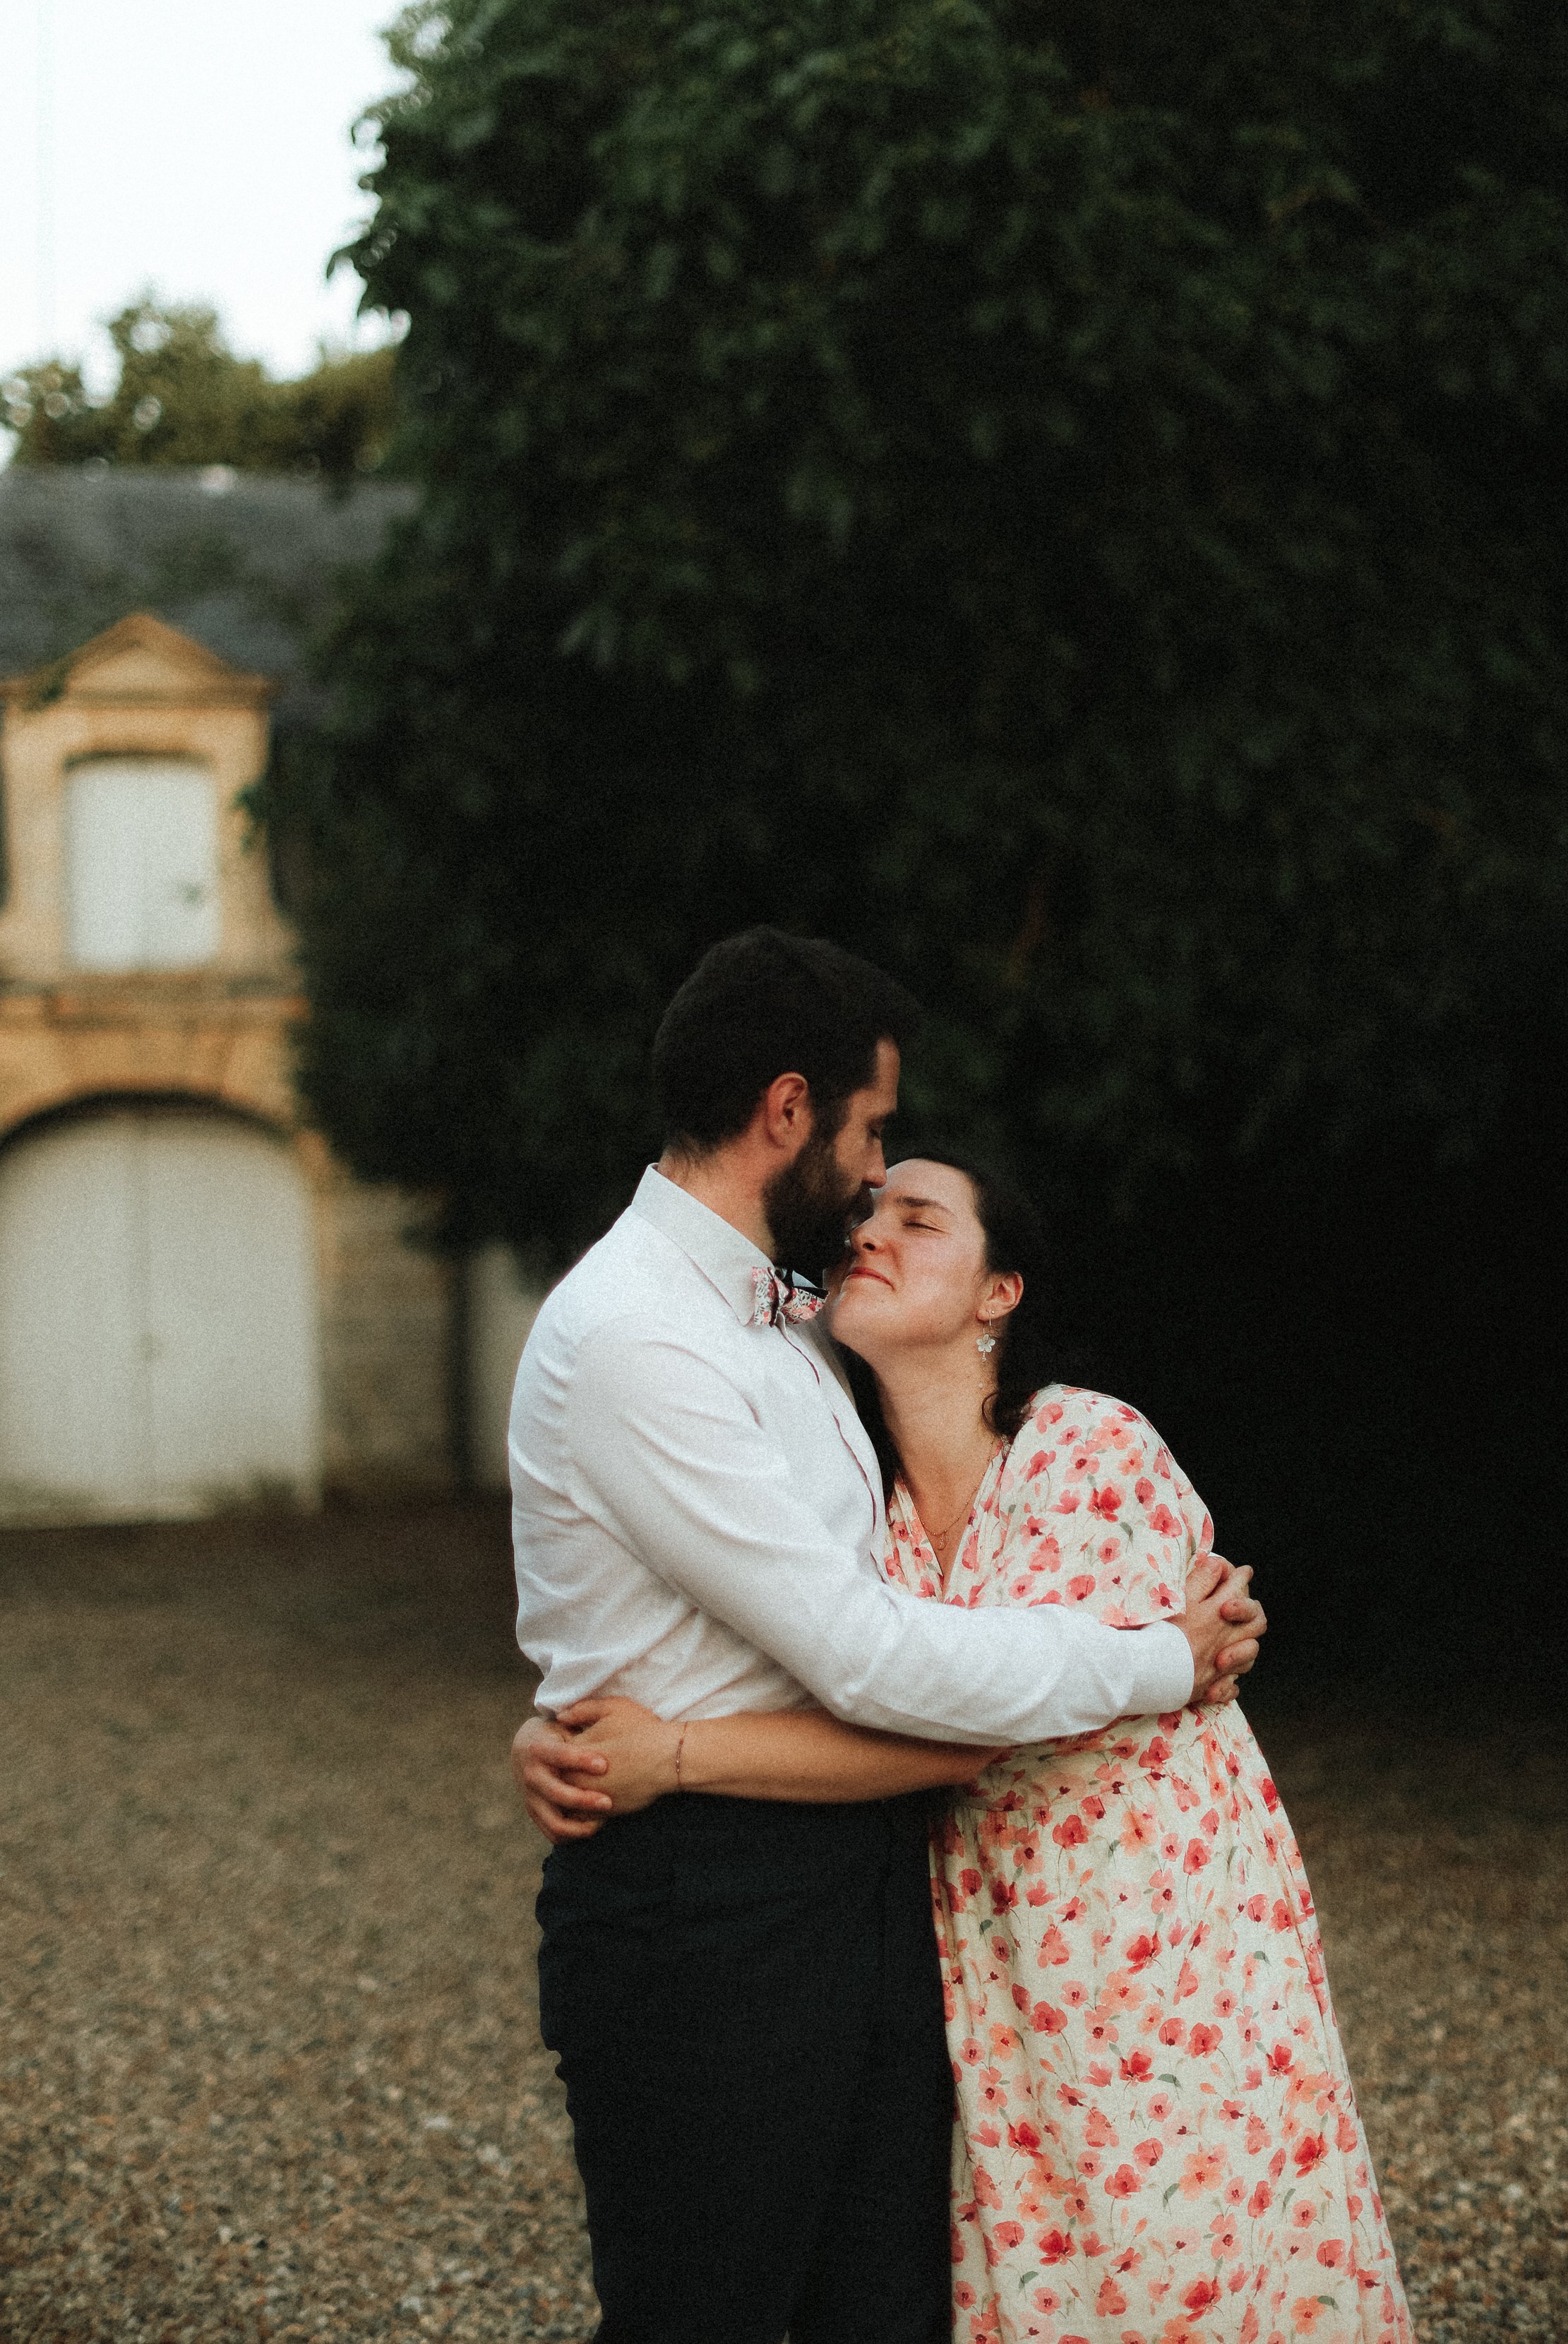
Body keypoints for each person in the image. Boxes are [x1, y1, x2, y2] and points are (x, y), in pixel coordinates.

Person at [506, 929, 1264, 2344]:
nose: (873, 1176)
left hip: (867, 1893)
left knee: (891, 2313)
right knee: (705, 2314)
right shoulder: (633, 1337)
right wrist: (1158, 1658)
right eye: (869, 1134)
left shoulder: (793, 1317)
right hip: (702, 1924)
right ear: (785, 1112)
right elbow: (867, 1653)